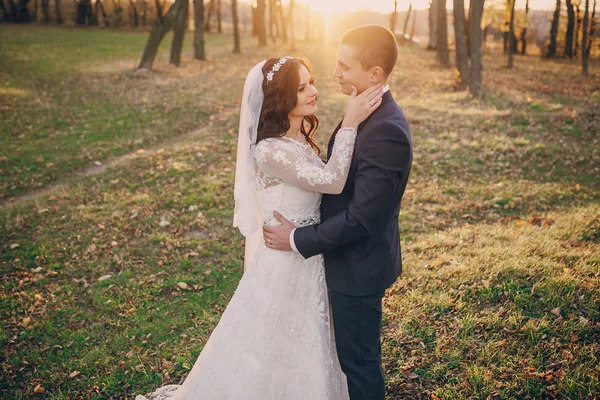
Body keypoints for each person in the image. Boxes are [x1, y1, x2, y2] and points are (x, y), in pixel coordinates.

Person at [136, 56, 383, 400]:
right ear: (280, 99)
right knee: (270, 345)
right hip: (284, 265)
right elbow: (332, 180)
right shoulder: (269, 151)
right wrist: (351, 124)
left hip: (309, 254)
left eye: (311, 81)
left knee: (306, 342)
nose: (314, 90)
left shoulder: (299, 143)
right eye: (301, 87)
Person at [263, 25, 413, 400]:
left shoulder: (386, 131)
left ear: (374, 74)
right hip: (338, 260)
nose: (335, 75)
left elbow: (362, 218)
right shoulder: (365, 114)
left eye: (344, 67)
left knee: (359, 365)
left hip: (358, 267)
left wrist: (298, 237)